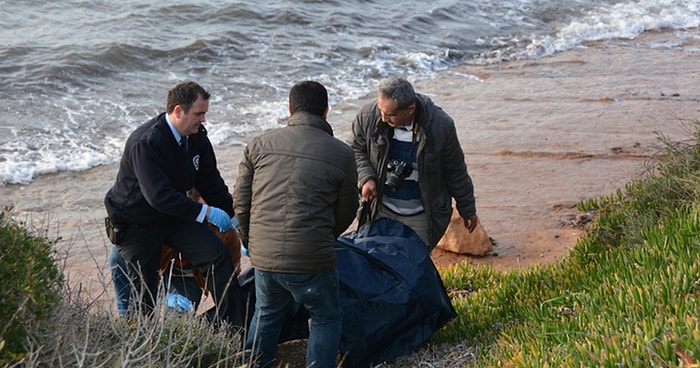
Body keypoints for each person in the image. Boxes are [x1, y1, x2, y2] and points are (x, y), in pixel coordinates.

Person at [234, 81, 358, 368]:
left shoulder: (258, 145)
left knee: (266, 313)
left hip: (264, 257)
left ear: (289, 109)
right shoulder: (341, 154)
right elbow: (348, 209)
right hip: (313, 259)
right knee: (327, 316)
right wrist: (324, 236)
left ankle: (254, 365)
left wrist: (250, 242)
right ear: (326, 112)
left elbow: (241, 203)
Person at [104, 81, 242, 326]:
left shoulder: (196, 138)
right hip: (136, 222)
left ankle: (232, 330)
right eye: (199, 114)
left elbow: (211, 181)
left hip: (173, 215)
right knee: (142, 297)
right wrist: (206, 211)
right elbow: (158, 196)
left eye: (205, 114)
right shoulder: (147, 143)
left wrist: (234, 219)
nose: (203, 120)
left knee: (218, 256)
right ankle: (142, 347)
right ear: (178, 111)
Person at [350, 76, 478, 250]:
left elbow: (455, 171)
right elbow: (354, 149)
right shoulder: (367, 115)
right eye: (381, 110)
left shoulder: (441, 126)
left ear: (410, 109)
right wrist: (366, 177)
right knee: (375, 267)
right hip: (379, 210)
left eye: (390, 115)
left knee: (412, 268)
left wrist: (467, 208)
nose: (383, 118)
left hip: (422, 215)